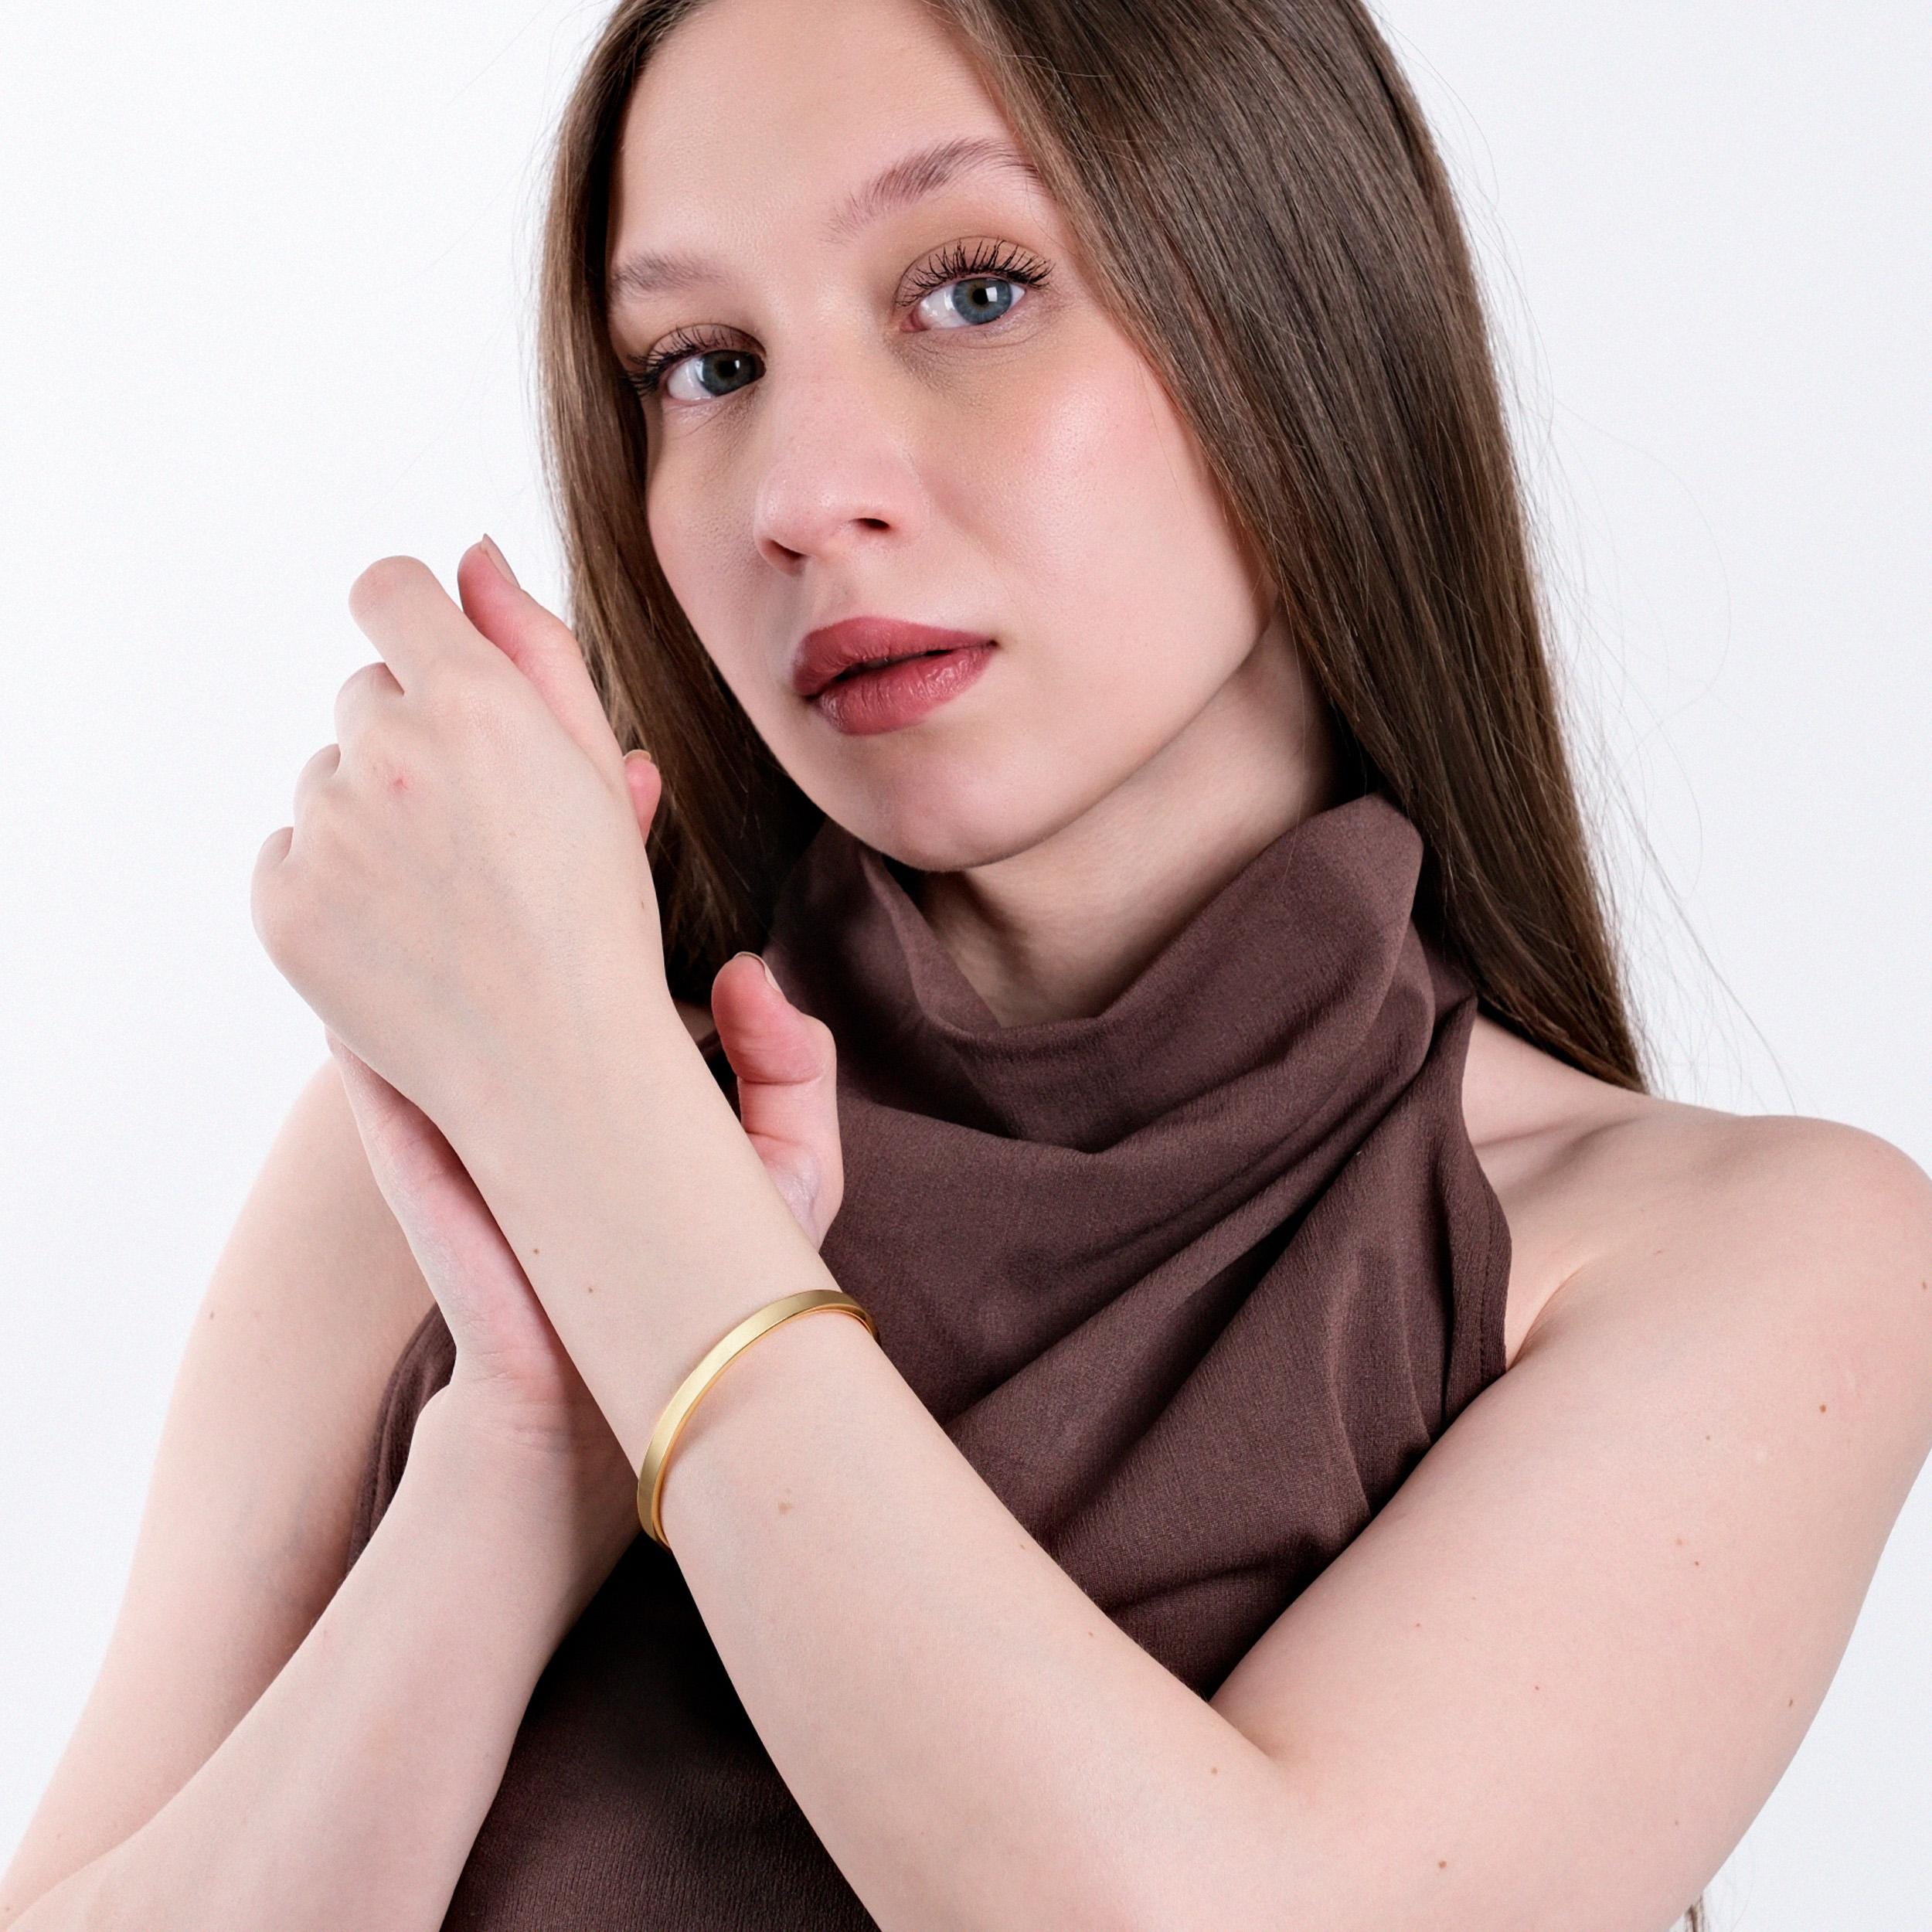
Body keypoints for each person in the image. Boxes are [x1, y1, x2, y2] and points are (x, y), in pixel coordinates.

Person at [6, 0, 1930, 1927]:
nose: (794, 492)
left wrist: (618, 1168)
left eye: (975, 289)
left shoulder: (1743, 1254)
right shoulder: (444, 1151)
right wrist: (515, 1451)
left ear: (1302, 309)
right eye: (703, 361)